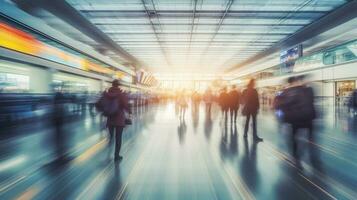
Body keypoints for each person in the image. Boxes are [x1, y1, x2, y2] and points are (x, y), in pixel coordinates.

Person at [279, 75, 316, 159]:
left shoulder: (287, 91)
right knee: (309, 135)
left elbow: (283, 104)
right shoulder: (307, 90)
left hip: (296, 118)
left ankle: (295, 154)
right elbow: (311, 101)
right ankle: (309, 154)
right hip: (306, 117)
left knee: (294, 136)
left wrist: (286, 116)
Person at [104, 79, 131, 162]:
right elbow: (126, 105)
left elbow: (102, 104)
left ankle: (108, 148)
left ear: (112, 85)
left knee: (111, 136)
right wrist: (130, 112)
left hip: (110, 119)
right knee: (118, 138)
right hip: (119, 119)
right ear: (119, 85)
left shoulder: (107, 94)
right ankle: (116, 155)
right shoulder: (121, 94)